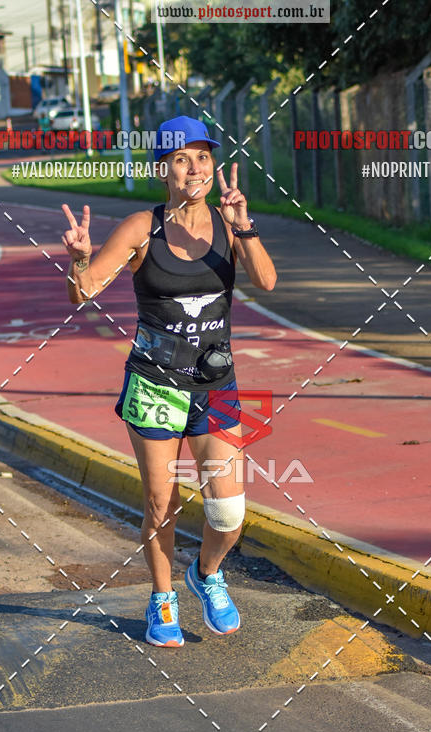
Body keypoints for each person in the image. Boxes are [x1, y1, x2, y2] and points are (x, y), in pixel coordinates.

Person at [61, 115, 276, 648]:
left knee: (228, 512)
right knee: (162, 502)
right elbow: (81, 293)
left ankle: (205, 575)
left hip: (216, 385)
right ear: (164, 169)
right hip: (155, 385)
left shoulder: (228, 225)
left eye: (203, 157)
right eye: (182, 159)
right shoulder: (142, 227)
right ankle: (162, 598)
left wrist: (243, 223)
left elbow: (267, 282)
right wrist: (81, 259)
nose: (194, 168)